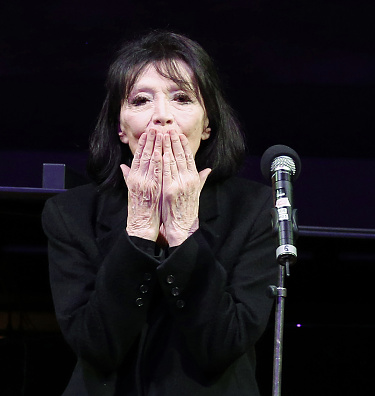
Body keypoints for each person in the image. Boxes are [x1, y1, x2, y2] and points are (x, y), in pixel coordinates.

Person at [41, 30, 278, 395]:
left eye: (182, 98)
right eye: (140, 101)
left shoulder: (255, 210)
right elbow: (96, 347)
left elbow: (223, 344)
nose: (161, 117)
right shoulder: (70, 213)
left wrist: (184, 233)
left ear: (208, 124)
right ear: (121, 128)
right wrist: (138, 230)